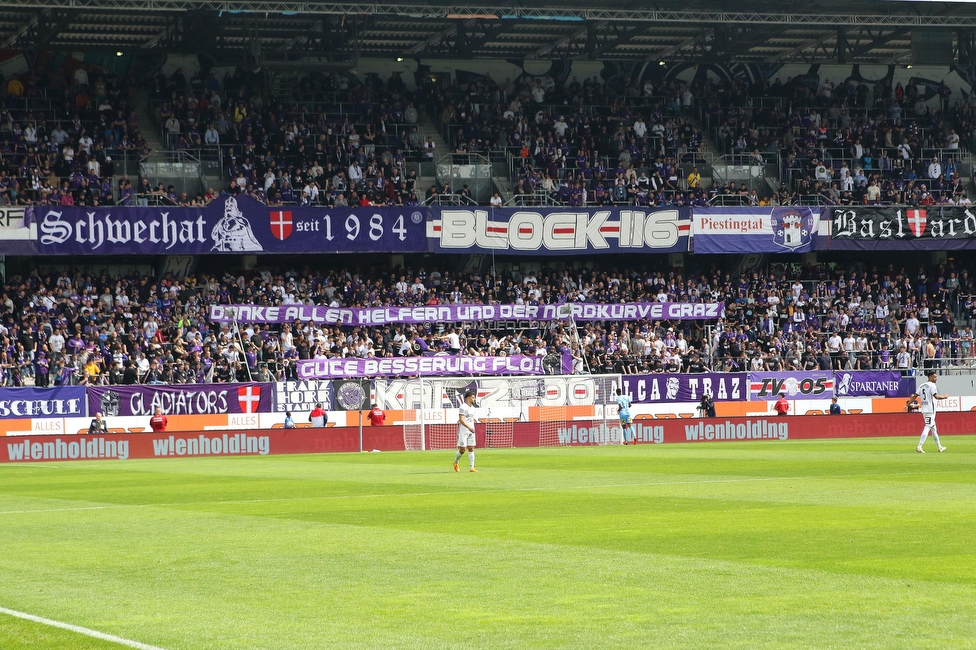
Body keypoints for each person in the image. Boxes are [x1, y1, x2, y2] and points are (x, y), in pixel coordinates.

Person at [917, 371, 947, 453]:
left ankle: (939, 447)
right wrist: (944, 397)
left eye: (936, 377)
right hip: (930, 410)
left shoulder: (922, 385)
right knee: (927, 427)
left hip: (924, 409)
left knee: (934, 429)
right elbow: (936, 396)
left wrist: (908, 403)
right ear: (929, 377)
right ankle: (919, 446)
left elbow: (915, 395)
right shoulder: (932, 385)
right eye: (934, 377)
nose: (936, 378)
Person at [453, 391, 477, 472]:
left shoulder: (473, 408)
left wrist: (472, 427)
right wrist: (469, 427)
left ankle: (472, 467)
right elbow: (461, 419)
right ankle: (455, 462)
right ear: (468, 397)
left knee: (471, 448)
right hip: (464, 430)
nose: (474, 399)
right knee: (462, 450)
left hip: (471, 430)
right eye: (473, 397)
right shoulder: (462, 407)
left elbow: (469, 419)